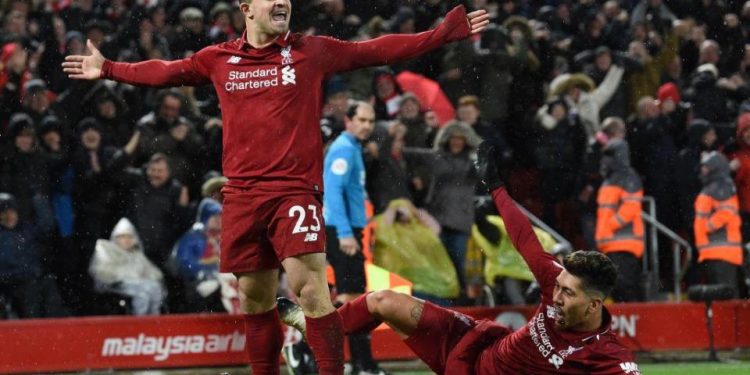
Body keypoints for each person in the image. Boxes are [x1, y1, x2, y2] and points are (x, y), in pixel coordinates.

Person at [63, 2, 489, 374]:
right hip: (242, 196)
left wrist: (442, 34)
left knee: (310, 292)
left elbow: (376, 49)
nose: (283, 3)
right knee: (254, 299)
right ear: (246, 8)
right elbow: (167, 72)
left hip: (293, 192)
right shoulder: (219, 58)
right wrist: (110, 69)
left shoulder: (309, 51)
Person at [281, 141, 640, 375]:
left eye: (567, 294)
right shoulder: (555, 280)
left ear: (595, 306)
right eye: (558, 288)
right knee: (382, 301)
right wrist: (496, 187)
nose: (556, 297)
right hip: (473, 346)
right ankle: (315, 326)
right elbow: (525, 239)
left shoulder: (607, 357)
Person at [322, 102, 384, 375]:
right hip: (341, 230)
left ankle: (358, 363)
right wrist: (346, 234)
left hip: (346, 229)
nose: (367, 126)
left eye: (370, 121)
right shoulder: (345, 149)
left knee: (350, 300)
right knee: (353, 300)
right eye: (361, 120)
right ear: (348, 120)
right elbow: (332, 193)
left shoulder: (351, 148)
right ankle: (363, 365)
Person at [595, 139, 644, 302]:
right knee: (617, 288)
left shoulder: (628, 177)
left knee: (626, 286)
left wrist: (611, 226)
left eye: (609, 155)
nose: (605, 160)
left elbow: (631, 207)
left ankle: (638, 323)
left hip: (624, 243)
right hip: (611, 244)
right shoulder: (609, 180)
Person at [89, 217, 166, 316]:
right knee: (143, 295)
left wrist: (154, 277)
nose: (126, 240)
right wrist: (123, 274)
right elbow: (100, 271)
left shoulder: (136, 254)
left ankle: (155, 319)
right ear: (116, 238)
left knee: (155, 288)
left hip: (136, 283)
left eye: (129, 237)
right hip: (115, 285)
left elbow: (152, 271)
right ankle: (140, 323)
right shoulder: (107, 250)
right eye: (123, 237)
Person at [694, 152, 744, 298]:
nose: (703, 170)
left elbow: (726, 212)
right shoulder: (715, 186)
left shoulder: (721, 186)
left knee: (725, 300)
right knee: (719, 299)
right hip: (713, 253)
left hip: (722, 253)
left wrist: (706, 227)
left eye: (706, 167)